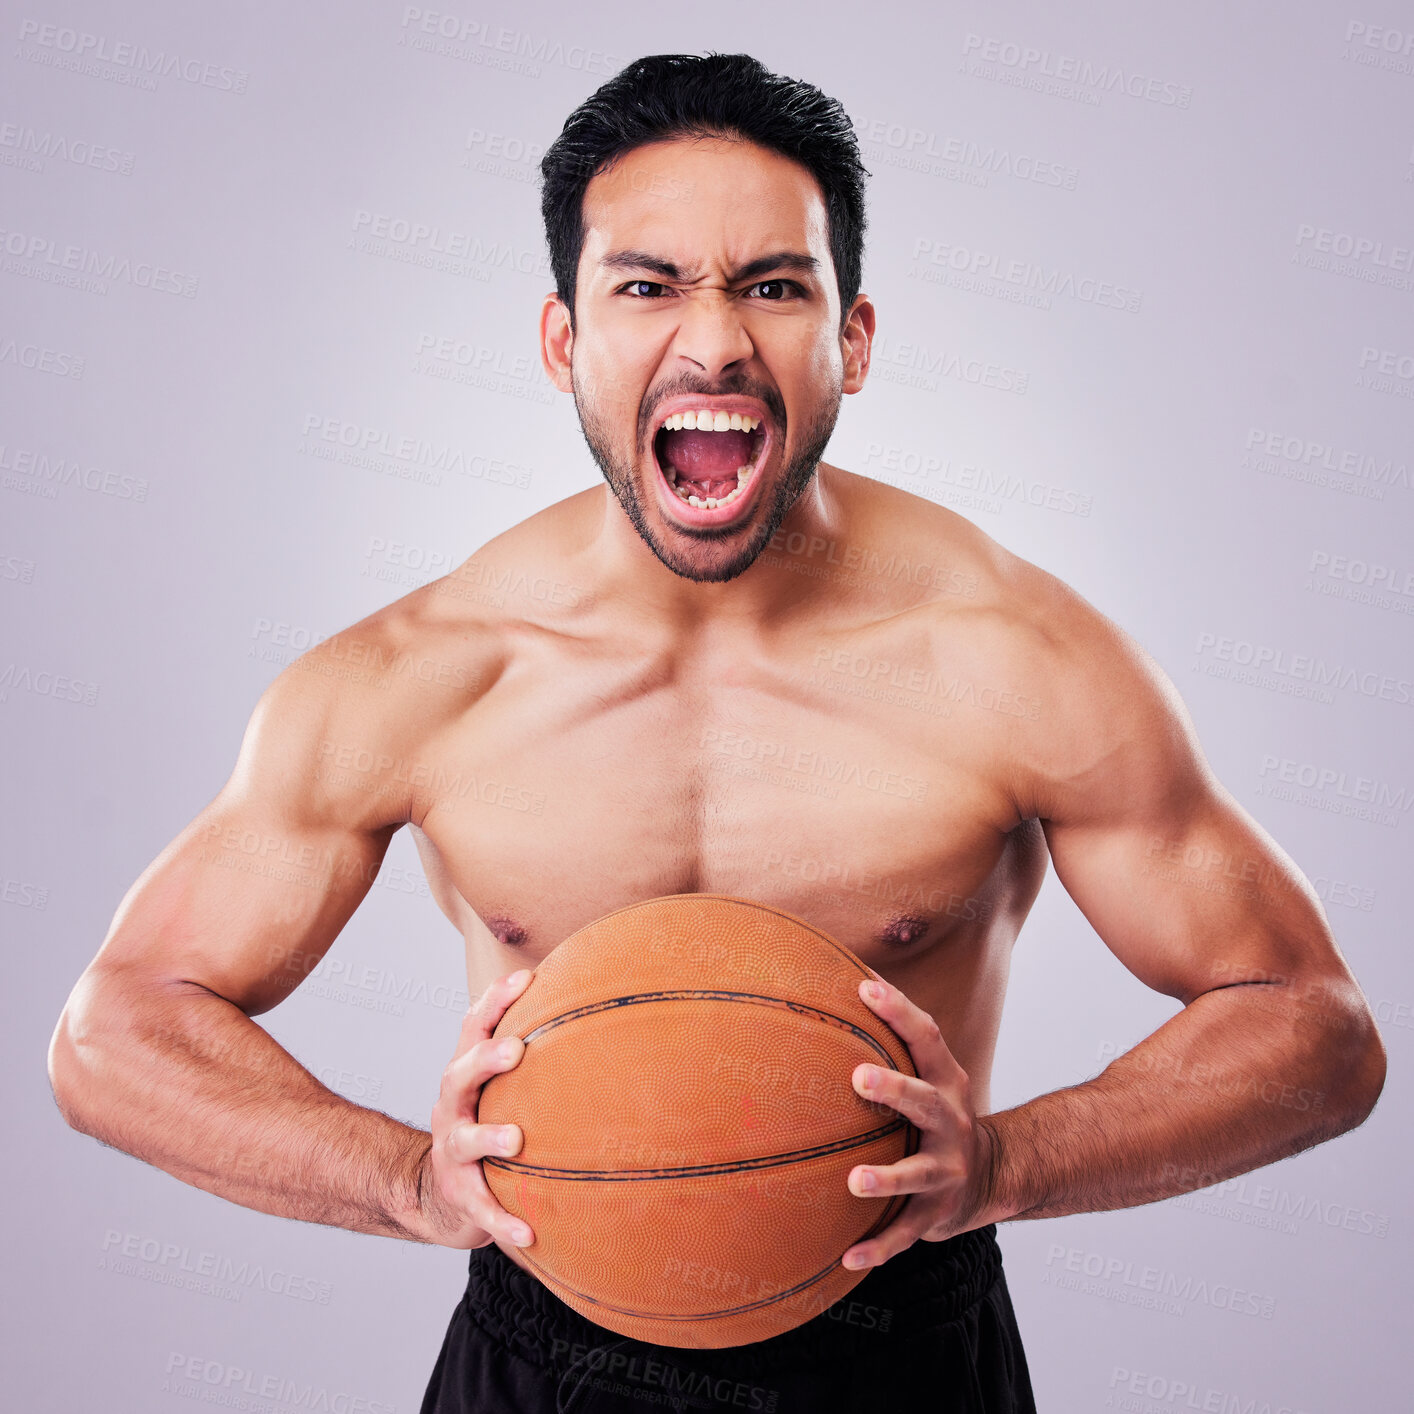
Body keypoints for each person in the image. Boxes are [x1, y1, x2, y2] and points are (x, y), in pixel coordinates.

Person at [48, 52, 1385, 1414]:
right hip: (542, 1348)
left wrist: (1005, 1165)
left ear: (850, 339)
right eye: (646, 284)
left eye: (772, 285)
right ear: (564, 337)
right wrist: (401, 1178)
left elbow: (1312, 1026)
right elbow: (116, 1033)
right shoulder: (424, 674)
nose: (713, 341)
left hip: (903, 1344)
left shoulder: (1015, 656)